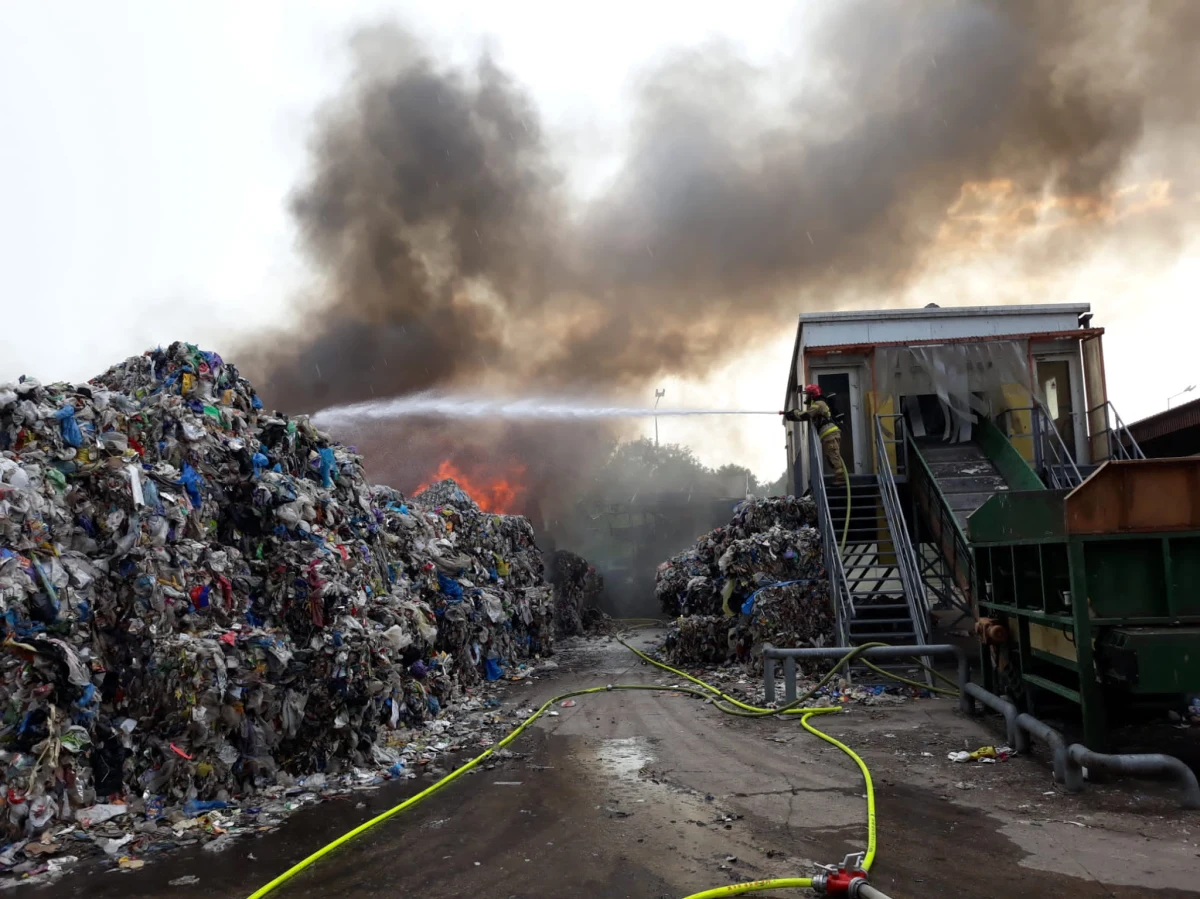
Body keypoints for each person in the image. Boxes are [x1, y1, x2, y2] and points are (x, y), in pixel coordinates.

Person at [784, 385, 845, 486]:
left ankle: (841, 478)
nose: (806, 397)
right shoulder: (817, 404)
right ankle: (840, 477)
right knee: (831, 457)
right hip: (828, 434)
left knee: (833, 455)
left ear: (812, 395)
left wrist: (794, 414)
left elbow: (806, 415)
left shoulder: (818, 404)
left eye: (808, 395)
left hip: (829, 433)